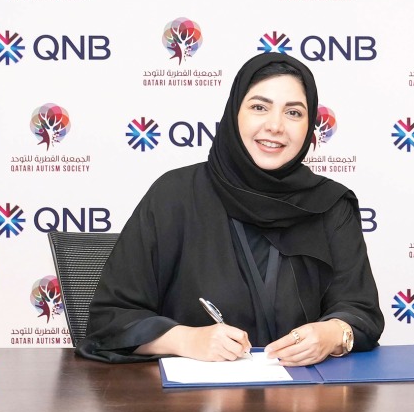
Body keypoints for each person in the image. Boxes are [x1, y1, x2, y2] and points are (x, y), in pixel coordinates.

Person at [80, 53, 384, 364]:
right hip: (195, 404)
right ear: (234, 114)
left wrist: (331, 334)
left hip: (302, 402)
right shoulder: (174, 195)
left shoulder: (331, 204)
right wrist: (187, 340)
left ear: (309, 128)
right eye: (259, 107)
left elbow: (361, 311)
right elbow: (109, 321)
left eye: (293, 113)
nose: (276, 126)